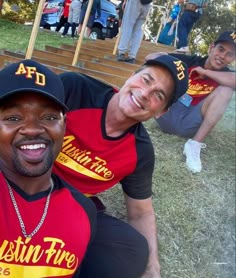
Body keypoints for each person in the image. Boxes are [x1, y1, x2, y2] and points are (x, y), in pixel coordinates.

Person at [53, 55, 189, 278]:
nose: (145, 94)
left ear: (162, 112)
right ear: (133, 75)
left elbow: (140, 212)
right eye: (146, 80)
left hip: (70, 209)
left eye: (158, 95)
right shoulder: (75, 89)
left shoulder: (140, 152)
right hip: (23, 186)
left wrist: (152, 267)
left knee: (134, 250)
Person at [0, 59, 96, 277]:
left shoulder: (83, 212)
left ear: (64, 126)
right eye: (13, 118)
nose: (33, 130)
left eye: (49, 117)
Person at [147, 30, 236, 173]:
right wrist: (168, 57)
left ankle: (194, 145)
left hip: (190, 124)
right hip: (166, 112)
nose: (222, 56)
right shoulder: (190, 61)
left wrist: (205, 72)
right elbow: (150, 57)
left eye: (229, 54)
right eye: (221, 49)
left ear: (233, 59)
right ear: (211, 47)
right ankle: (136, 113)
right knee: (158, 70)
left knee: (226, 90)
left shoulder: (227, 74)